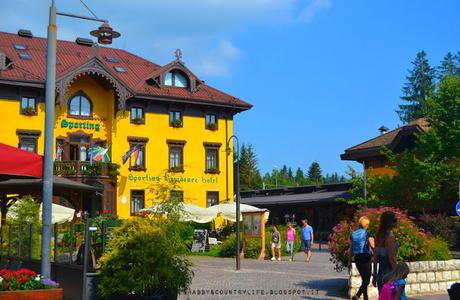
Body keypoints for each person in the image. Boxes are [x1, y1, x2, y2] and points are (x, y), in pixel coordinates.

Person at [350, 216, 375, 300]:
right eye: (368, 224)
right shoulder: (367, 233)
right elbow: (373, 245)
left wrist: (349, 261)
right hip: (366, 258)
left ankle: (366, 298)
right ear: (366, 224)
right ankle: (357, 296)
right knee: (367, 281)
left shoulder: (353, 234)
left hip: (357, 258)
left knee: (364, 280)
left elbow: (351, 248)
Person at [373, 211, 398, 292]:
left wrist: (375, 275)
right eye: (394, 220)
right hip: (390, 274)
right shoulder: (390, 237)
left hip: (381, 275)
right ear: (388, 222)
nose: (396, 222)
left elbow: (375, 257)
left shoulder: (379, 236)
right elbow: (392, 258)